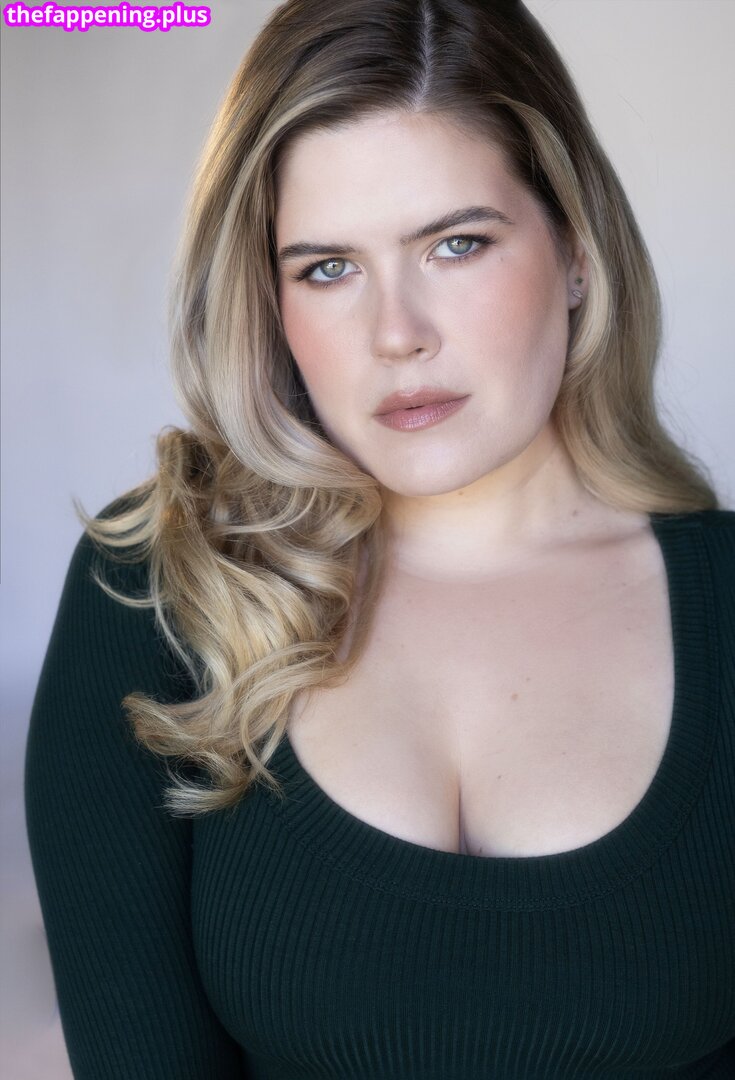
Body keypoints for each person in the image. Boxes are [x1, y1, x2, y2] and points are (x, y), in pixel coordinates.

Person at [25, 0, 735, 1076]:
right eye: (327, 267)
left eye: (455, 244)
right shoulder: (161, 593)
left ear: (577, 251)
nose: (397, 333)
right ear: (268, 300)